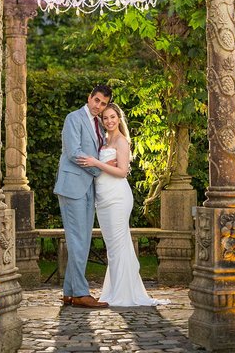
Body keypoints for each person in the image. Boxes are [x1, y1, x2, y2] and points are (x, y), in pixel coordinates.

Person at [76, 102, 165, 307]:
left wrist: (97, 163)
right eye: (105, 118)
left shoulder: (122, 141)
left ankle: (125, 294)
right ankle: (115, 290)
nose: (109, 121)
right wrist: (104, 164)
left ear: (119, 118)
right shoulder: (104, 140)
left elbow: (123, 171)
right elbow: (108, 167)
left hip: (117, 196)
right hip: (103, 198)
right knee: (114, 247)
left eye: (112, 117)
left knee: (118, 244)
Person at [54, 84, 113, 309]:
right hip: (72, 186)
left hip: (89, 187)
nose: (99, 106)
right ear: (89, 98)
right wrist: (101, 170)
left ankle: (69, 291)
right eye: (96, 100)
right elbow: (73, 152)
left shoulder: (98, 123)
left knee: (82, 240)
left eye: (103, 103)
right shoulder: (73, 118)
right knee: (78, 240)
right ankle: (80, 292)